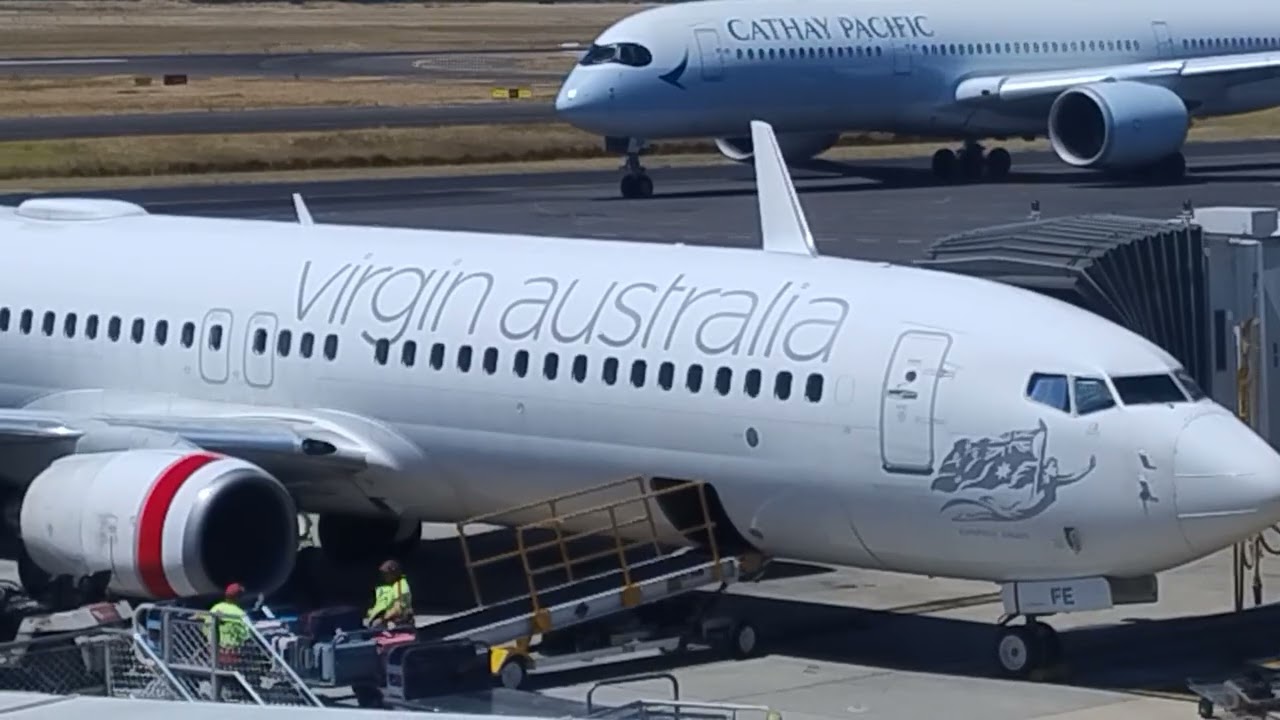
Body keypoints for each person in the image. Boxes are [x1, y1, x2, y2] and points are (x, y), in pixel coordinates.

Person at [365, 560, 413, 629]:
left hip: (396, 622)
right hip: (383, 618)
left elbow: (398, 608)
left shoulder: (401, 586)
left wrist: (382, 619)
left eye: (386, 574)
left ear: (394, 573)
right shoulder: (390, 585)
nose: (384, 577)